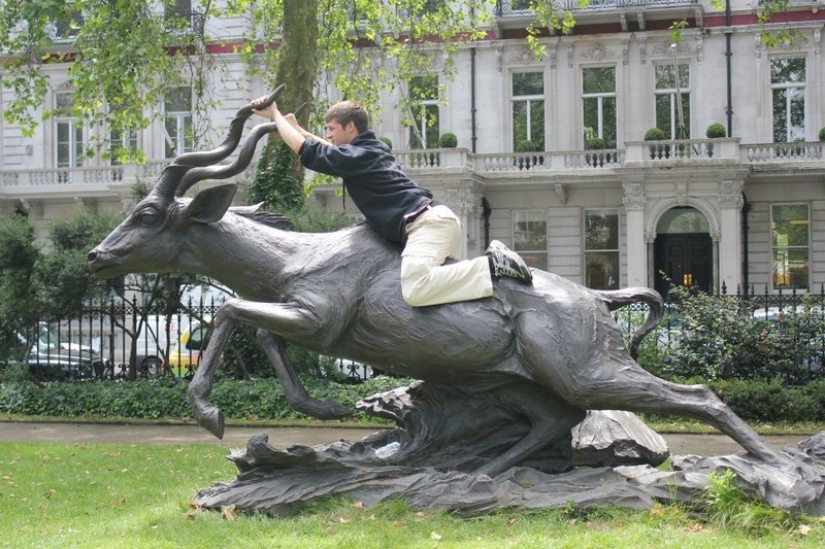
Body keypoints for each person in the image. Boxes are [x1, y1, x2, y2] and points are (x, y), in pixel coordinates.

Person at [252, 96, 532, 307]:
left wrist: (275, 115)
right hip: (434, 223)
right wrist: (297, 128)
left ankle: (493, 264)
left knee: (415, 288)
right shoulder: (367, 150)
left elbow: (308, 150)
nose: (328, 134)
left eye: (331, 128)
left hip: (426, 226)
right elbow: (323, 147)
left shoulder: (359, 156)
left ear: (350, 127)